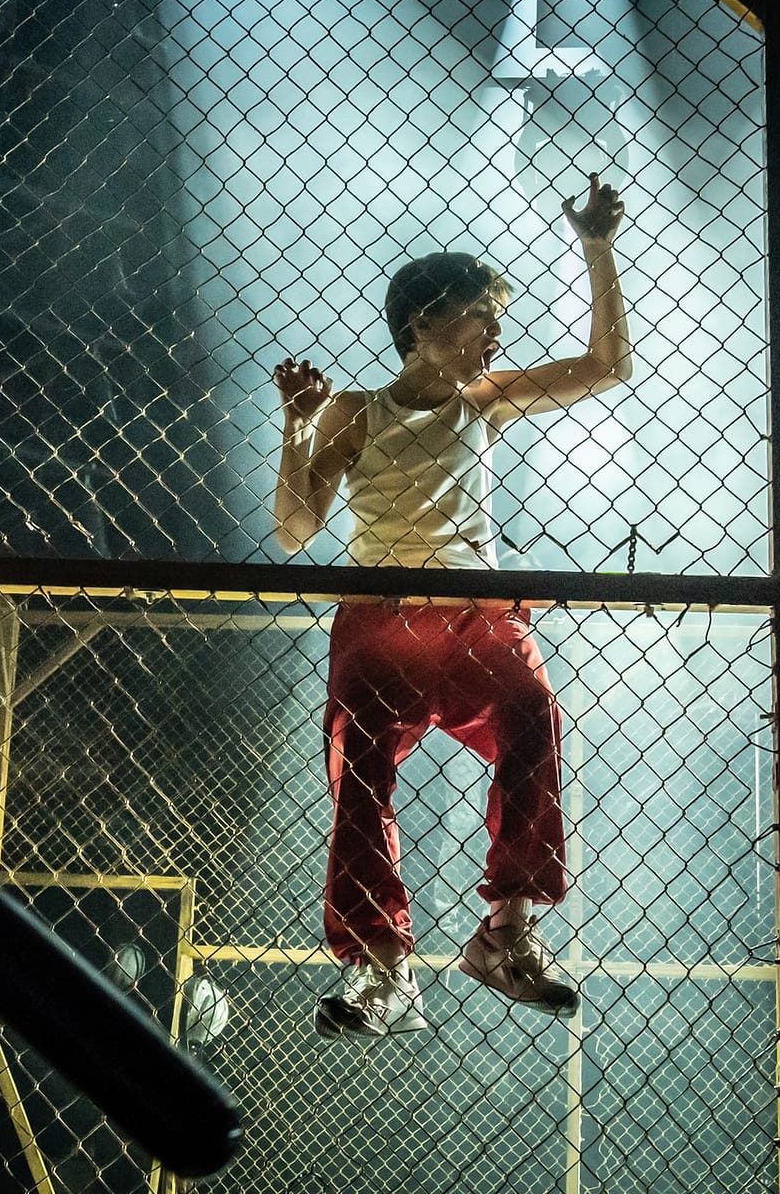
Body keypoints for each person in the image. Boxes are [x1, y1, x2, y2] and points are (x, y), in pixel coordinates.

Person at [272, 178, 632, 1039]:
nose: (495, 335)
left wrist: (597, 248)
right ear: (422, 323)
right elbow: (294, 531)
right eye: (479, 317)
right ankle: (384, 966)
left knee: (533, 716)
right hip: (383, 613)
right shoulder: (356, 412)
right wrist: (297, 428)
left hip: (476, 613)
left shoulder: (486, 399)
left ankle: (506, 932)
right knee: (360, 776)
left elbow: (606, 368)